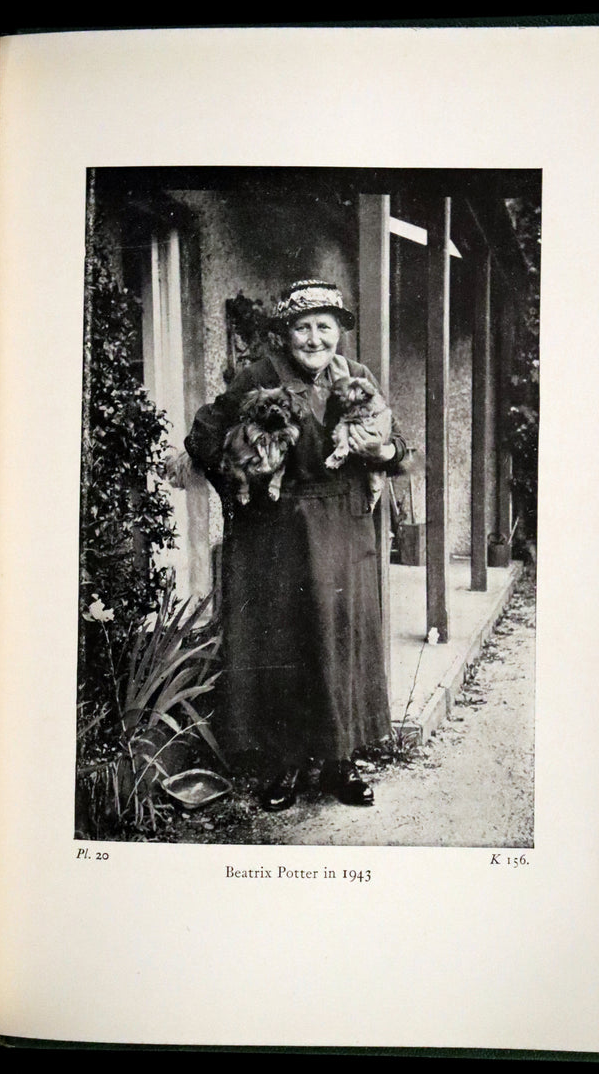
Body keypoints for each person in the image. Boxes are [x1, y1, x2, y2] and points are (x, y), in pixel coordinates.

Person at [185, 279, 408, 811]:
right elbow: (203, 436)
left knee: (341, 640)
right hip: (278, 531)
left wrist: (384, 450)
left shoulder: (356, 378)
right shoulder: (258, 377)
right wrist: (243, 472)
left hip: (345, 527)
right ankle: (283, 765)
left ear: (339, 334)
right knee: (283, 642)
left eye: (324, 328)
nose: (314, 339)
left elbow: (399, 445)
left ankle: (340, 763)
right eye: (303, 328)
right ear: (286, 333)